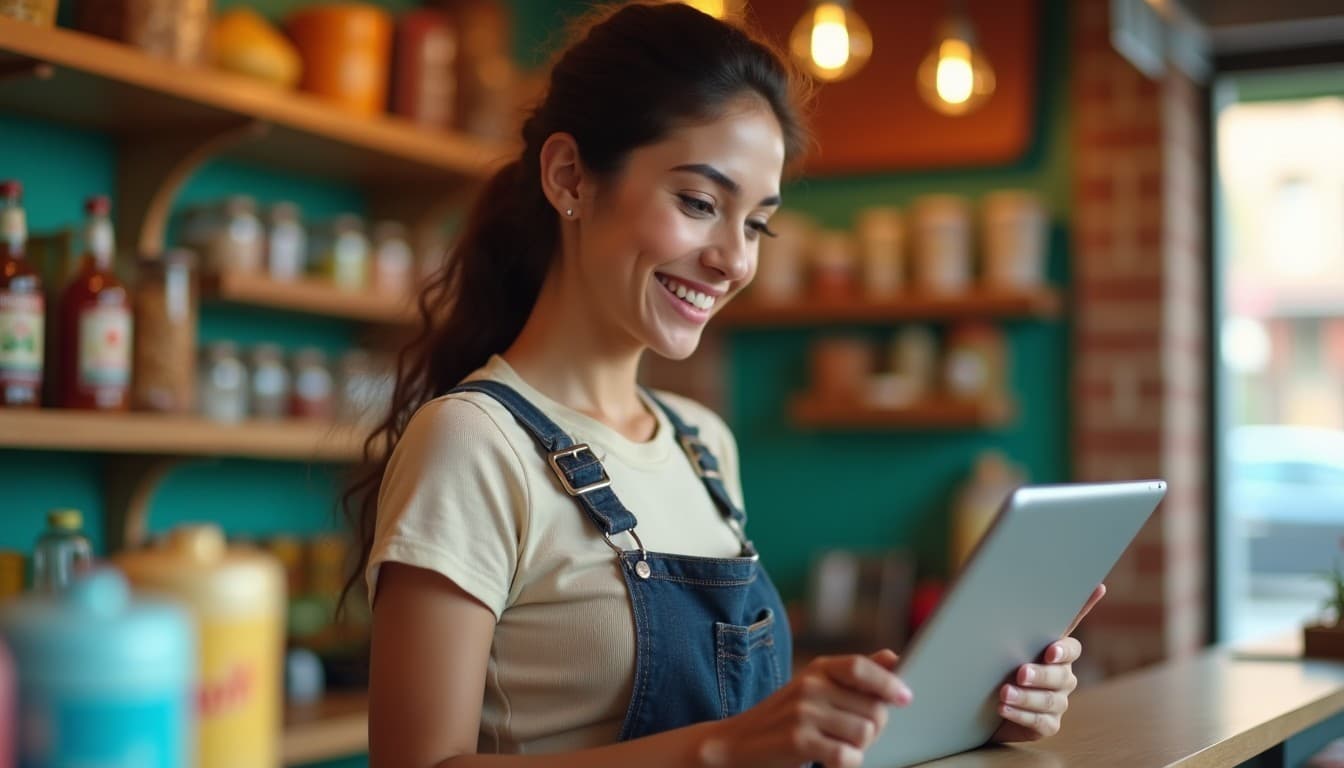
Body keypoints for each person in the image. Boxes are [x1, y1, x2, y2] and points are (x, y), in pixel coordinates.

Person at [344, 4, 1103, 767]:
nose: (735, 261)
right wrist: (721, 750)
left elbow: (743, 724)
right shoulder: (473, 442)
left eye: (757, 225)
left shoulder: (702, 441)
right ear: (569, 176)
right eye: (701, 204)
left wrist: (965, 710)